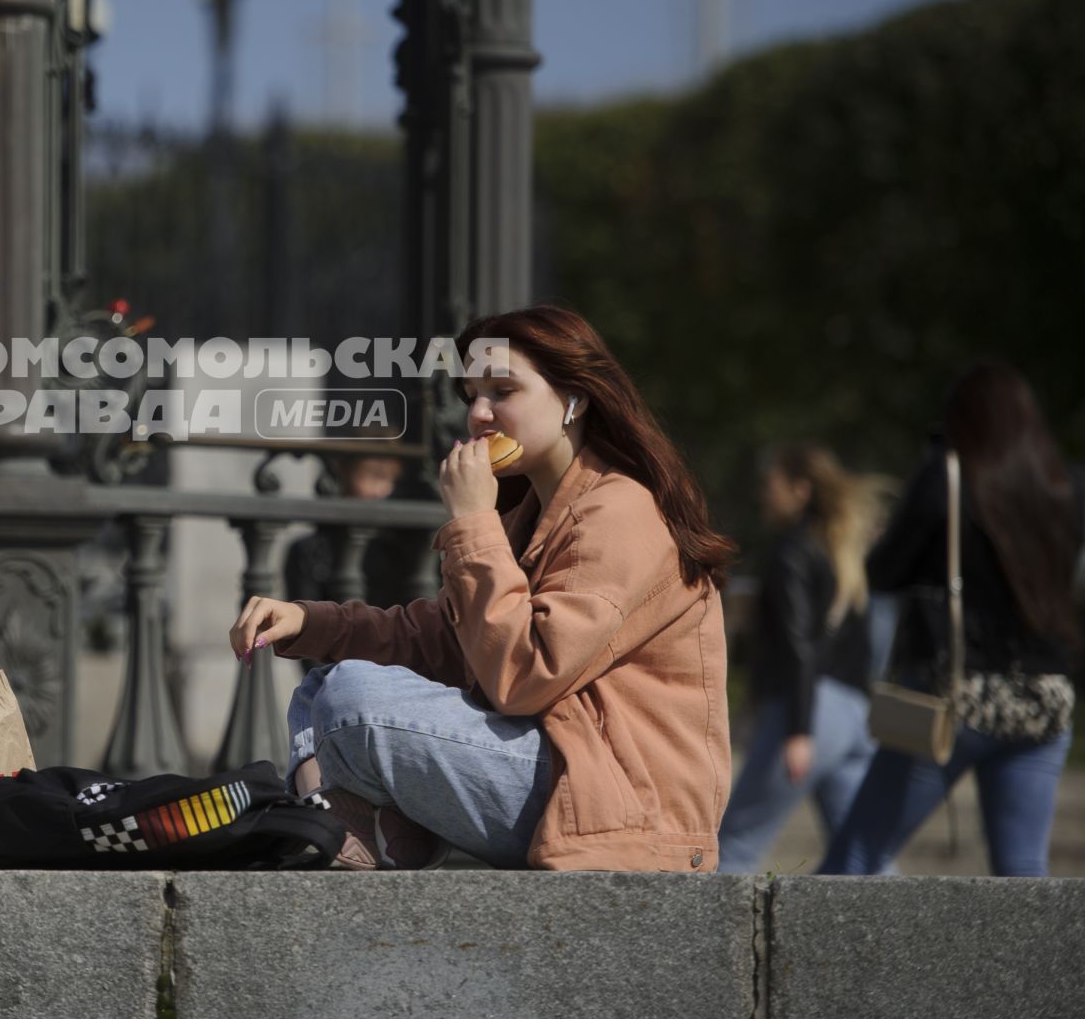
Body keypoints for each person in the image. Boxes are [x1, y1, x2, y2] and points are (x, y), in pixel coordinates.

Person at [231, 305, 736, 871]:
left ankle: (351, 826)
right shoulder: (536, 515)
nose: (479, 414)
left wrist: (473, 523)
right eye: (472, 394)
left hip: (618, 805)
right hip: (553, 772)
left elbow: (522, 678)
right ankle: (367, 831)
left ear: (576, 398)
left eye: (503, 390)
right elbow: (446, 641)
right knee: (319, 687)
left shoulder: (619, 512)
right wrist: (314, 622)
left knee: (351, 698)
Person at [818, 363, 1082, 877]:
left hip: (956, 697)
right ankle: (1036, 962)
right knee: (1024, 871)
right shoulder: (1070, 487)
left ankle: (801, 958)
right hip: (1045, 702)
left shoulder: (947, 479)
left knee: (857, 858)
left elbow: (885, 573)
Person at [718, 444, 891, 873]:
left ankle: (690, 940)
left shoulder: (791, 551)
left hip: (808, 711)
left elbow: (797, 646)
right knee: (862, 858)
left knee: (736, 842)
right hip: (854, 716)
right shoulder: (842, 550)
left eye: (770, 485)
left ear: (800, 490)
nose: (763, 495)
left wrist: (797, 731)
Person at [281, 450, 410, 609]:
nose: (382, 490)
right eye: (374, 476)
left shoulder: (396, 548)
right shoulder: (309, 550)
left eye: (391, 479)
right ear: (346, 473)